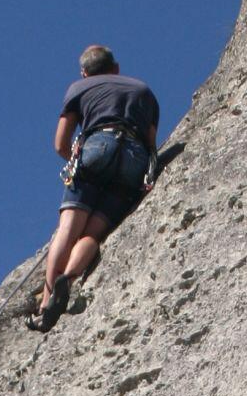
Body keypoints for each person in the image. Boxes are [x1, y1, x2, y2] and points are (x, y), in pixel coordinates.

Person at [30, 45, 160, 332]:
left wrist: (78, 159)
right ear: (116, 68)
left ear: (85, 73)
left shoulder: (80, 88)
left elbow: (60, 144)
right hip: (134, 158)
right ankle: (69, 278)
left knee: (69, 229)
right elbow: (151, 142)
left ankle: (47, 301)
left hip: (97, 147)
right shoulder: (142, 90)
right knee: (93, 233)